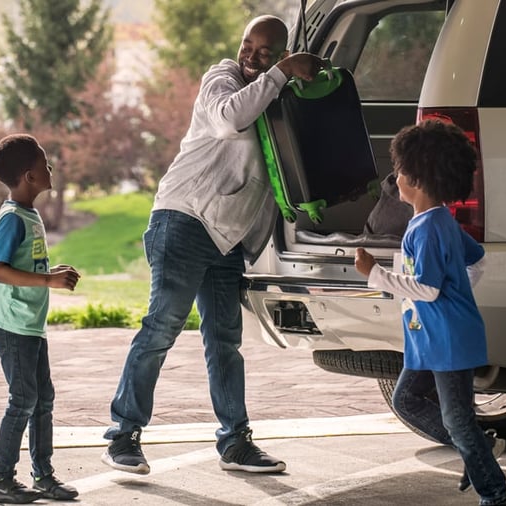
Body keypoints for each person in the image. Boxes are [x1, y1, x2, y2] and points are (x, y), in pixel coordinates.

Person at [100, 15, 323, 475]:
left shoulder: (277, 98)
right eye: (248, 45)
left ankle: (235, 443)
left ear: (279, 52)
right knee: (162, 327)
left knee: (224, 341)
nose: (251, 57)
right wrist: (281, 72)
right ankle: (123, 435)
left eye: (265, 52)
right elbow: (227, 120)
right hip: (184, 219)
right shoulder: (221, 78)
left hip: (227, 238)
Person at [354, 119, 506, 506]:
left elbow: (426, 289)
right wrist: (458, 297)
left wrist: (374, 274)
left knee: (457, 420)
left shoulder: (425, 229)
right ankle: (477, 448)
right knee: (409, 401)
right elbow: (477, 262)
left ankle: (496, 495)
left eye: (402, 172)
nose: (396, 179)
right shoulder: (441, 221)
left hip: (447, 342)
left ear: (421, 180)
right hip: (437, 338)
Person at [0, 133, 82, 504]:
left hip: (29, 322)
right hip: (11, 322)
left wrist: (51, 271)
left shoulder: (29, 213)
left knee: (43, 398)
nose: (49, 167)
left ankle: (44, 476)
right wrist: (47, 280)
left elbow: (22, 264)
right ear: (29, 176)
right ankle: (0, 480)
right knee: (23, 398)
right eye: (44, 162)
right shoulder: (12, 218)